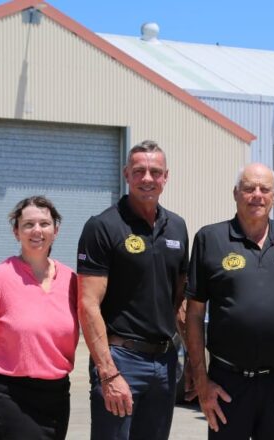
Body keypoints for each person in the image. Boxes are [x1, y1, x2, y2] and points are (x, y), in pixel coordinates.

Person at [186, 163, 274, 440]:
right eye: (249, 188)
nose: (257, 195)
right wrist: (201, 381)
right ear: (235, 193)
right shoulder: (210, 239)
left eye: (264, 189)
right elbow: (193, 315)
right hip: (227, 383)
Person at [77, 140, 189, 440]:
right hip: (121, 360)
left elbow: (180, 302)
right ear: (126, 174)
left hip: (165, 362)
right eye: (139, 171)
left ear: (166, 177)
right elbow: (87, 304)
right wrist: (108, 372)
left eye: (155, 172)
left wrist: (192, 362)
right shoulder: (102, 226)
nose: (147, 178)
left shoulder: (177, 227)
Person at [0, 196, 78, 440]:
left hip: (56, 397)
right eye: (28, 224)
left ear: (56, 230)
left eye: (44, 224)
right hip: (6, 397)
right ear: (16, 232)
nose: (37, 230)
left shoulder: (71, 280)